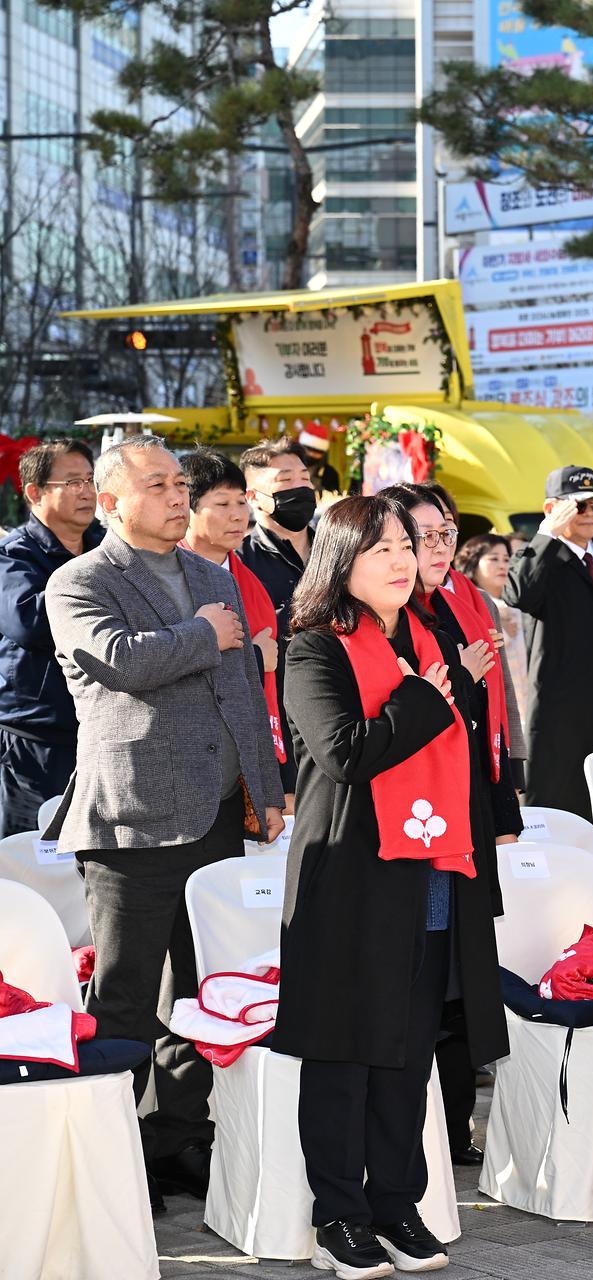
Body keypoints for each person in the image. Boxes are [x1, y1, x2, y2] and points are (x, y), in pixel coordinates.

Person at [45, 435, 283, 1208]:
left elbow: (245, 687)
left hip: (215, 814)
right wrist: (202, 634)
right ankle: (107, 1155)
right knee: (124, 996)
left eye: (181, 483)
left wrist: (265, 787)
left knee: (202, 989)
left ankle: (178, 1138)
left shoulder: (212, 574)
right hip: (132, 822)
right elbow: (118, 658)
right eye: (157, 485)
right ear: (112, 503)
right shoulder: (79, 580)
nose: (177, 496)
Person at [277, 495, 512, 1277]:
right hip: (349, 876)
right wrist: (424, 695)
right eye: (381, 548)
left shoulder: (427, 636)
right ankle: (337, 1216)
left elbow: (460, 742)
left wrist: (438, 693)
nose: (403, 559)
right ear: (340, 561)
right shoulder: (313, 647)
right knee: (346, 1052)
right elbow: (348, 753)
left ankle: (395, 1206)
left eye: (406, 544)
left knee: (408, 1053)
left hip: (429, 872)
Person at [386, 484, 523, 1169]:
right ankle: (424, 1134)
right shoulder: (385, 622)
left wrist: (504, 807)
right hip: (420, 828)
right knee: (429, 976)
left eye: (444, 535)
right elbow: (411, 720)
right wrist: (462, 679)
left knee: (463, 978)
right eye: (421, 537)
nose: (437, 548)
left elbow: (489, 721)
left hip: (467, 814)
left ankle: (454, 1123)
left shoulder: (458, 605)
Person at [504, 465, 593, 815]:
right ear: (552, 509)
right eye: (579, 506)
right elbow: (517, 592)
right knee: (556, 823)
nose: (590, 514)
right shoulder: (540, 563)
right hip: (558, 730)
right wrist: (547, 533)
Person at [0, 439, 103, 834]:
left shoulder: (106, 549)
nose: (86, 491)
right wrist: (98, 591)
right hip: (34, 739)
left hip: (97, 734)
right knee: (29, 861)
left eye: (90, 480)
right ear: (34, 492)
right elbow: (29, 620)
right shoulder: (14, 556)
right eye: (72, 481)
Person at [179, 449, 290, 796]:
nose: (237, 515)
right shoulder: (169, 577)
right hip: (192, 755)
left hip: (250, 744)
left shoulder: (248, 580)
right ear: (186, 507)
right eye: (222, 504)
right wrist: (256, 658)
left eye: (241, 503)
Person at [236, 437, 317, 811]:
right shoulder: (238, 561)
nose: (300, 488)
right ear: (253, 497)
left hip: (340, 720)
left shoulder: (339, 551)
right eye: (285, 481)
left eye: (304, 477)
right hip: (276, 727)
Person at [453, 534, 530, 736]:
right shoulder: (464, 606)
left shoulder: (520, 607)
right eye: (493, 559)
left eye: (506, 559)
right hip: (492, 710)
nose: (502, 565)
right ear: (473, 562)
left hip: (526, 707)